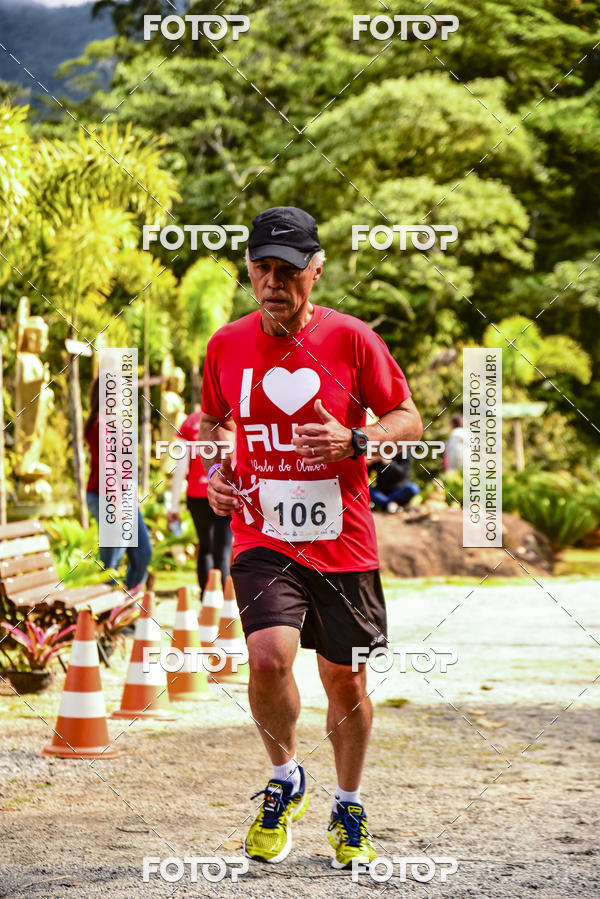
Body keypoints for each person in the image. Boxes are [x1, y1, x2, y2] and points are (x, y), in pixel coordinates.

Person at [199, 207, 422, 868]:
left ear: (315, 272)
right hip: (263, 533)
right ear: (248, 270)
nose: (274, 282)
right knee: (268, 656)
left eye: (288, 271)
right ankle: (284, 776)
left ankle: (347, 802)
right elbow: (212, 422)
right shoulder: (225, 344)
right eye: (262, 268)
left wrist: (359, 439)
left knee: (344, 680)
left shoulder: (353, 340)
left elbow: (406, 417)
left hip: (343, 542)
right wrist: (216, 471)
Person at [84, 377, 152, 594]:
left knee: (143, 553)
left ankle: (124, 610)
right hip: (106, 497)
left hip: (122, 497)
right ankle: (104, 620)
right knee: (111, 565)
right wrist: (117, 502)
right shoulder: (100, 425)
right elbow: (108, 466)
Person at [167, 409, 233, 594]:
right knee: (223, 549)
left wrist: (173, 508)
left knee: (205, 547)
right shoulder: (230, 418)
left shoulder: (189, 423)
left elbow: (180, 468)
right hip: (223, 492)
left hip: (196, 496)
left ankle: (207, 601)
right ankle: (223, 606)